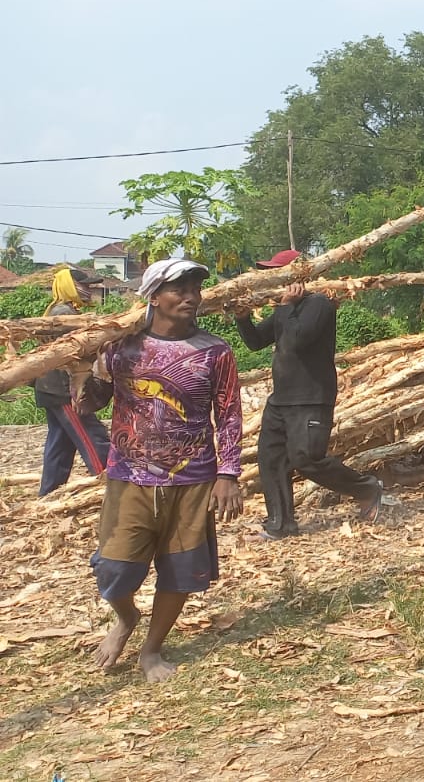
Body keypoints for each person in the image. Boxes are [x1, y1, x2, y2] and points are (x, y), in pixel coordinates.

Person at [83, 258, 243, 682]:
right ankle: (126, 617)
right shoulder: (122, 347)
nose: (191, 297)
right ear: (154, 297)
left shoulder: (215, 351)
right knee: (113, 569)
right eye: (179, 290)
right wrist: (85, 366)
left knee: (180, 570)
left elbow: (229, 414)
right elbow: (89, 403)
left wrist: (228, 474)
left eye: (195, 290)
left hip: (193, 479)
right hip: (130, 476)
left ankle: (151, 650)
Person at [231, 249, 385, 540]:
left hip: (311, 398)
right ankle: (280, 524)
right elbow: (256, 341)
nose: (272, 280)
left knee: (306, 459)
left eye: (278, 273)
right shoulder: (287, 307)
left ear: (298, 275)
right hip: (281, 400)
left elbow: (296, 341)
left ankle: (367, 488)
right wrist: (243, 319)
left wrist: (286, 306)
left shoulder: (319, 303)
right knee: (271, 460)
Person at [33, 268, 109, 495]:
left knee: (60, 444)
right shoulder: (64, 314)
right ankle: (109, 484)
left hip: (50, 388)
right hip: (64, 390)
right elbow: (73, 356)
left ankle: (48, 494)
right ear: (69, 286)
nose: (89, 290)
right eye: (84, 286)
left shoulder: (60, 310)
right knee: (93, 437)